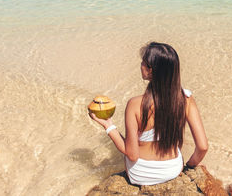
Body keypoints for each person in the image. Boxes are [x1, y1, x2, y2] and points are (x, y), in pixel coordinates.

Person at [89, 41, 208, 185]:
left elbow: (131, 154)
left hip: (140, 174)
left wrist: (109, 125)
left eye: (143, 62)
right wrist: (189, 167)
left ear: (151, 70)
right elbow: (202, 147)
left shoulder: (134, 104)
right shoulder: (186, 99)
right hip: (172, 170)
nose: (141, 65)